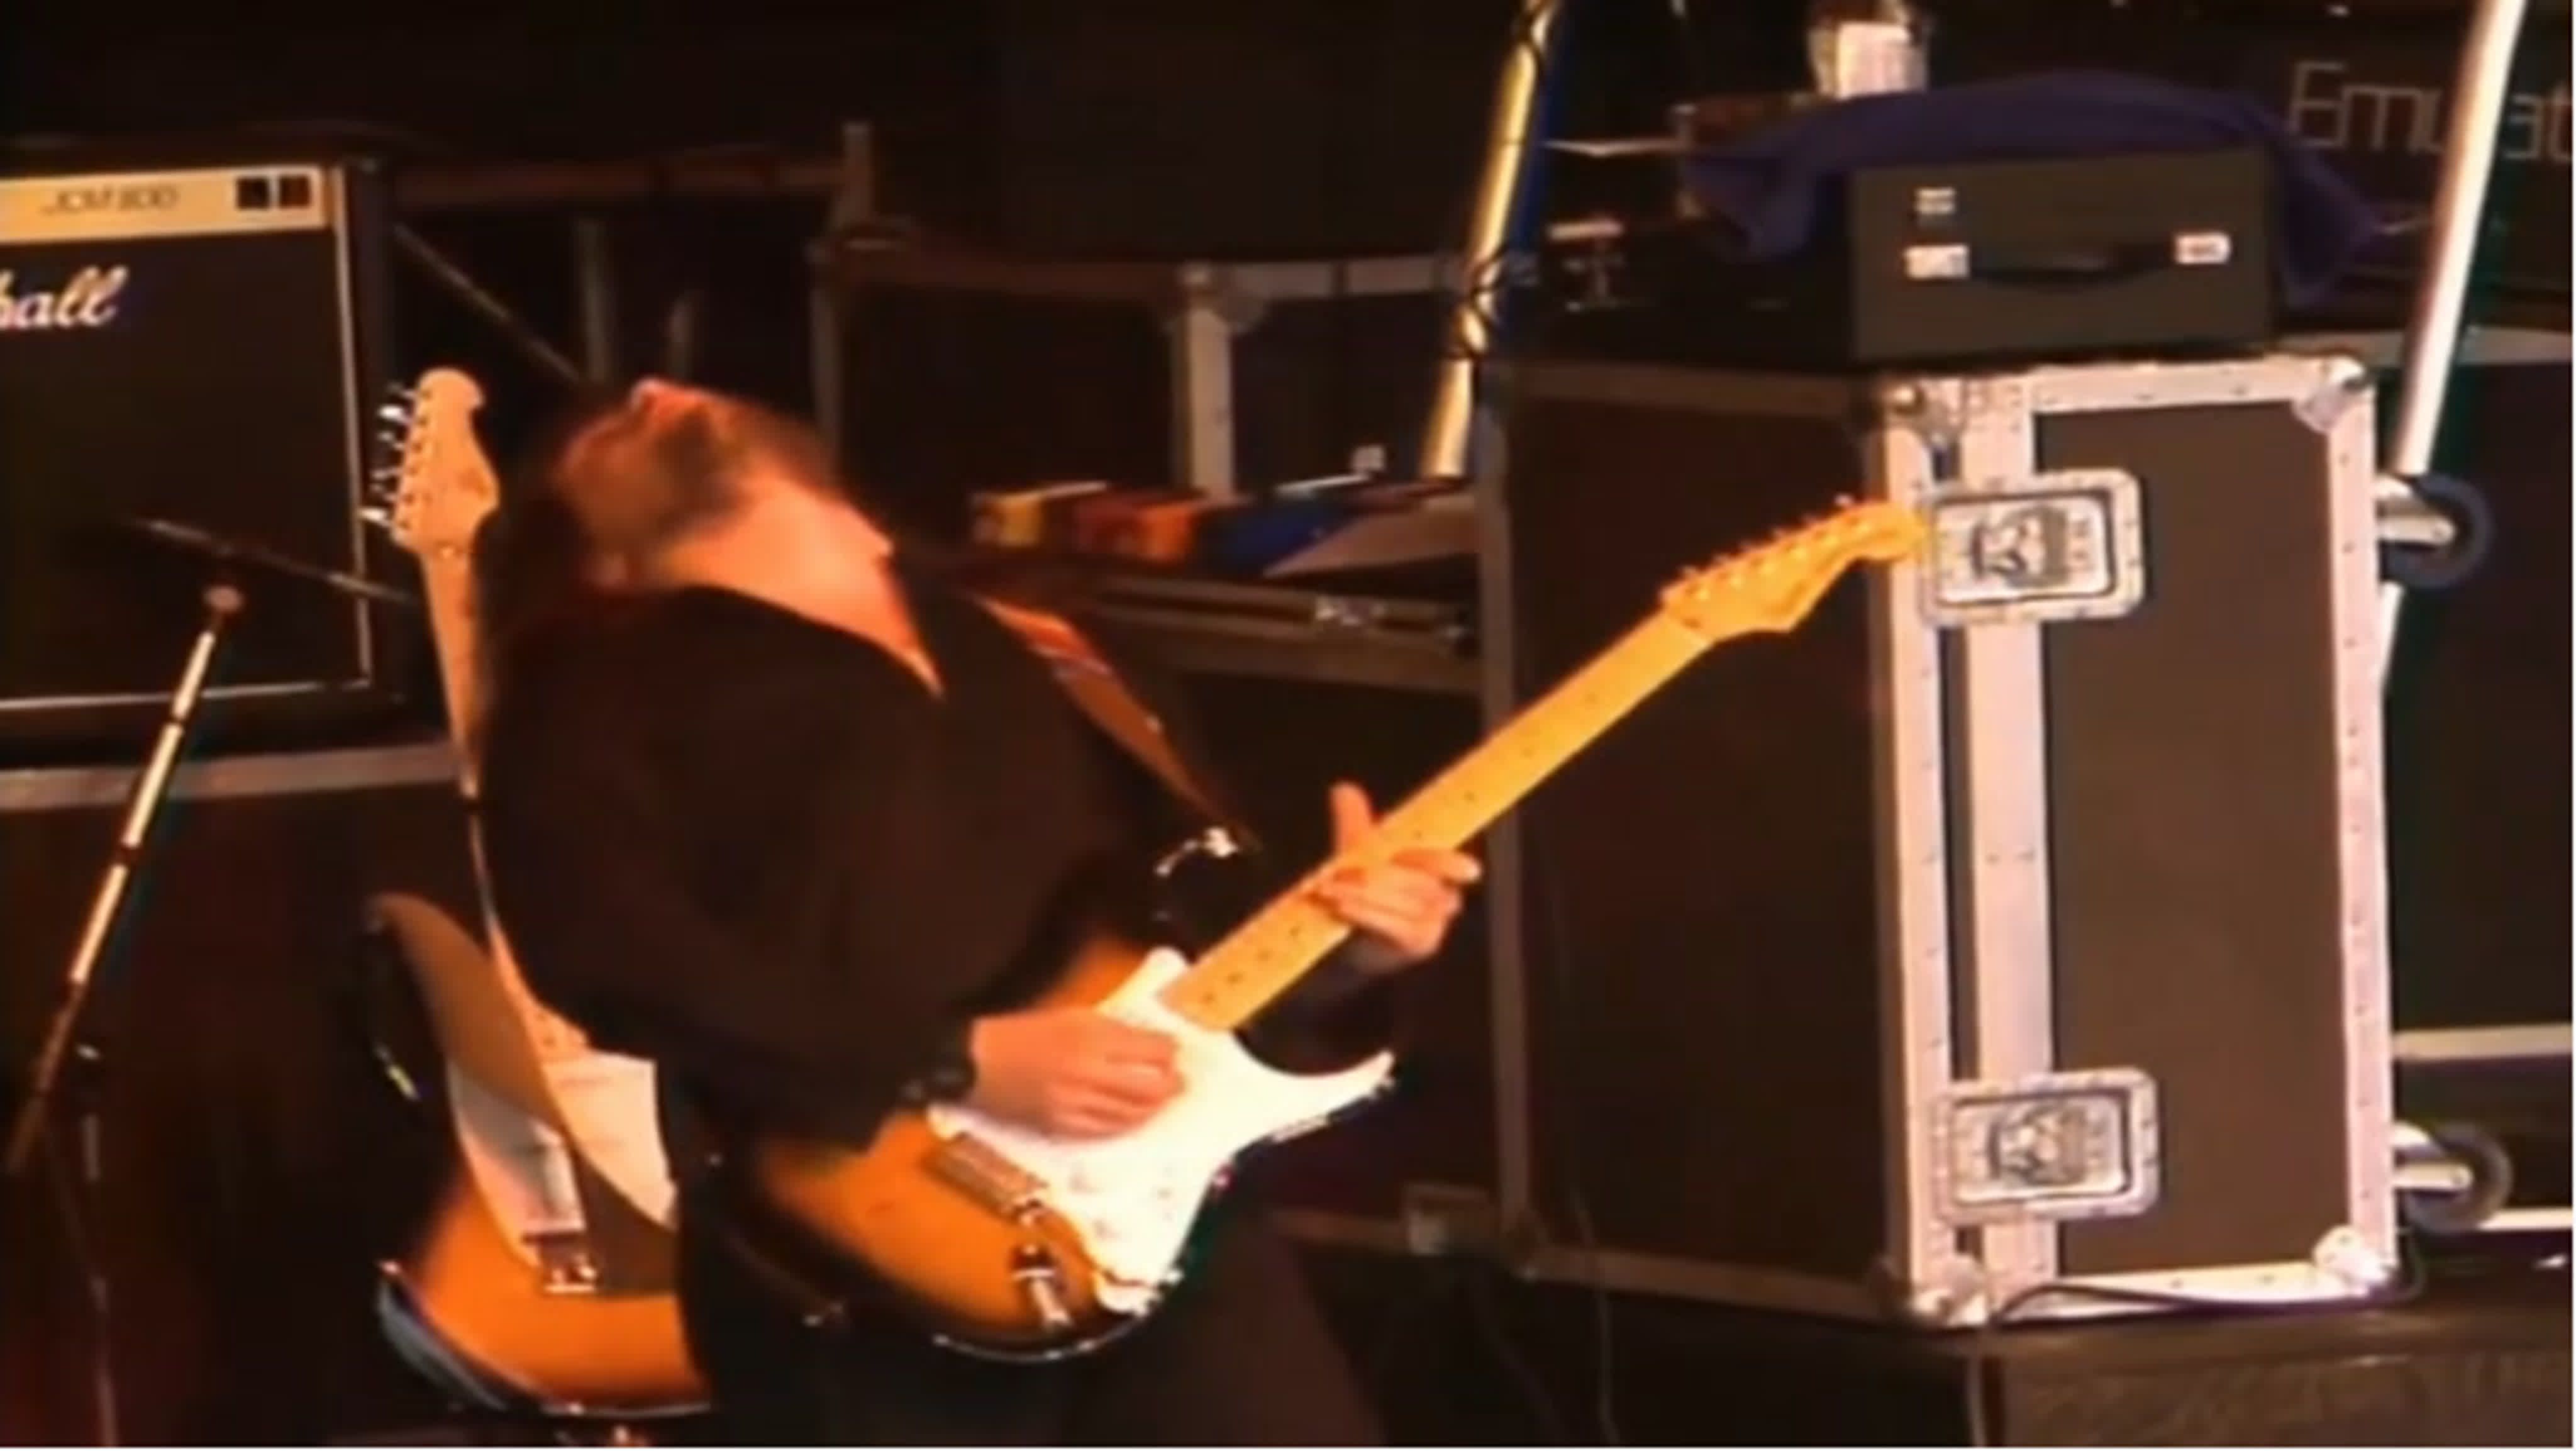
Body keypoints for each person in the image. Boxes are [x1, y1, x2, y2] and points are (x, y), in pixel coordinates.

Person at [474, 379, 1480, 1445]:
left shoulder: (1046, 640)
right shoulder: (593, 697)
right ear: (594, 561)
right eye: (598, 432)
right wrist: (954, 1060)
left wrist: (1349, 955)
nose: (650, 390)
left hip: (1170, 1226)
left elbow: (1200, 931)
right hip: (868, 1269)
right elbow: (606, 955)